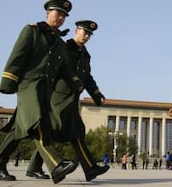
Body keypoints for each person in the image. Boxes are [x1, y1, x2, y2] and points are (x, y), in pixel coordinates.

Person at [0, 0, 84, 184]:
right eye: (58, 13)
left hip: (45, 90)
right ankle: (56, 164)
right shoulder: (32, 31)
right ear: (48, 13)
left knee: (18, 130)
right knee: (38, 122)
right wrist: (8, 82)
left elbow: (65, 68)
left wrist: (76, 83)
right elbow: (17, 55)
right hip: (28, 86)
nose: (61, 17)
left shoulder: (59, 43)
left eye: (64, 15)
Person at [27, 20, 110, 181]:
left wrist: (97, 94)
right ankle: (37, 167)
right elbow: (55, 69)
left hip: (72, 100)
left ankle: (90, 168)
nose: (86, 36)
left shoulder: (85, 55)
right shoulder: (63, 47)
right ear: (76, 31)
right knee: (54, 131)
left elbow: (87, 77)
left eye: (89, 34)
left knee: (75, 132)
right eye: (84, 32)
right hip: (57, 98)